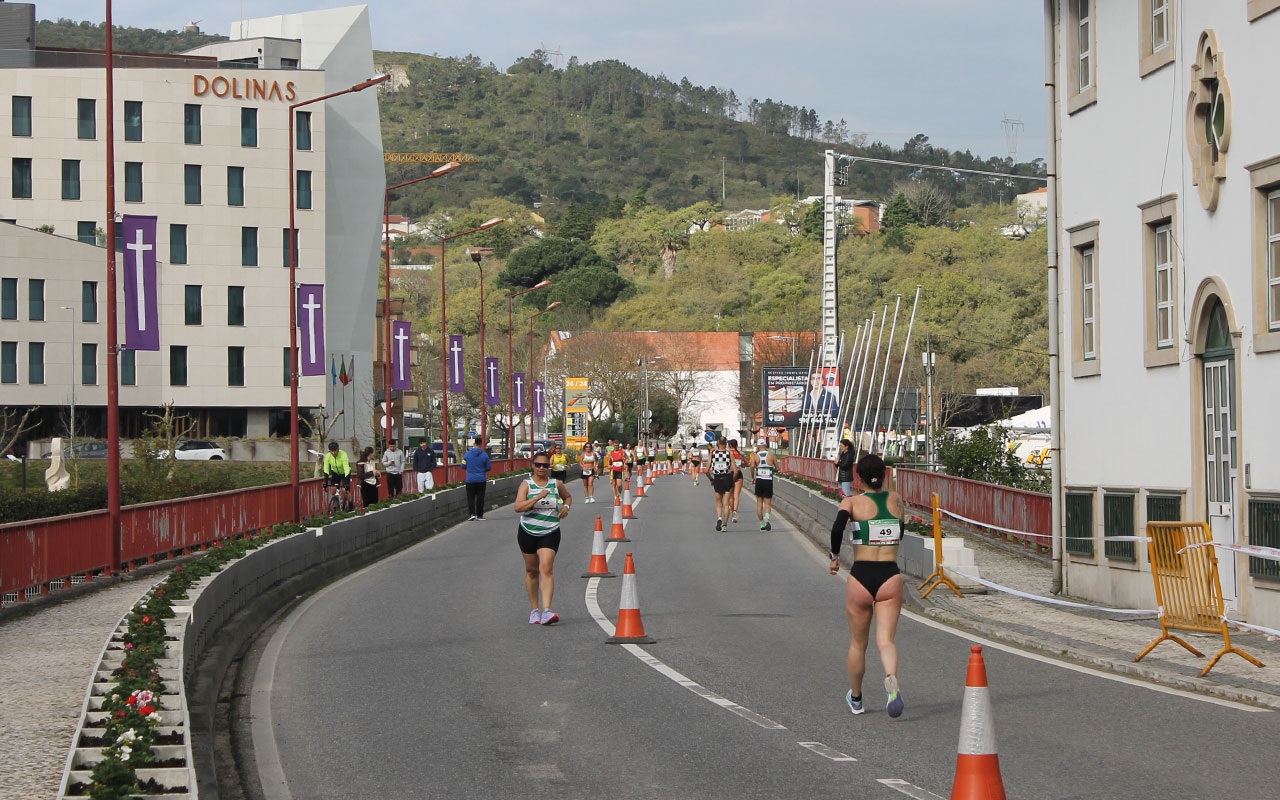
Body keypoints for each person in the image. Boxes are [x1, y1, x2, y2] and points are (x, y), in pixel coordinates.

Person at [828, 453, 905, 718]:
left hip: (861, 575)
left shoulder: (851, 501)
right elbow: (901, 532)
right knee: (886, 640)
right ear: (883, 475)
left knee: (858, 644)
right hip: (890, 576)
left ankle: (857, 699)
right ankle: (891, 683)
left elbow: (837, 528)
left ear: (858, 477)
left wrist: (835, 557)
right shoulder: (896, 500)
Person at [514, 452, 572, 625]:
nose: (541, 468)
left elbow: (567, 496)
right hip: (528, 531)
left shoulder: (556, 484)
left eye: (545, 466)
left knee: (546, 569)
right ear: (533, 465)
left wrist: (566, 507)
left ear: (549, 467)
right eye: (538, 465)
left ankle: (547, 610)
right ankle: (535, 610)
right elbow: (518, 507)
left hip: (550, 531)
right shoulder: (526, 485)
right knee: (532, 571)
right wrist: (538, 497)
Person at [708, 438, 735, 531]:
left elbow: (707, 470)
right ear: (726, 444)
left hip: (717, 478)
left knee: (719, 503)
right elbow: (735, 470)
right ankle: (724, 525)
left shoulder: (713, 453)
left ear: (718, 443)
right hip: (727, 478)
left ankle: (719, 518)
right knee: (726, 504)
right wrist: (732, 481)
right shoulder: (729, 454)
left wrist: (711, 479)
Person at [463, 436, 492, 521]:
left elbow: (463, 465)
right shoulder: (485, 455)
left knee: (470, 497)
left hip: (470, 479)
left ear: (474, 444)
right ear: (481, 444)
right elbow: (488, 468)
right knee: (480, 497)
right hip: (481, 479)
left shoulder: (467, 455)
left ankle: (472, 514)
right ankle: (480, 515)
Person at [322, 441, 353, 510]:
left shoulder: (343, 454)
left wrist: (346, 483)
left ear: (338, 449)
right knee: (333, 489)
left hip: (345, 473)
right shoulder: (328, 456)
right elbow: (326, 470)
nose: (333, 453)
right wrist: (325, 482)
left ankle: (351, 505)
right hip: (336, 473)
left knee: (345, 490)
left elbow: (346, 469)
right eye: (331, 451)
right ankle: (335, 509)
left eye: (335, 451)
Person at [752, 447, 776, 530]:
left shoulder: (755, 456)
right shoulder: (771, 455)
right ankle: (767, 517)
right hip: (768, 480)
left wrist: (752, 477)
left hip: (759, 481)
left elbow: (751, 466)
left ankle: (762, 524)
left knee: (759, 503)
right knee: (768, 503)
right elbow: (777, 467)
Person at [728, 439, 745, 524]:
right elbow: (745, 463)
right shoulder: (739, 453)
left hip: (730, 473)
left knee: (730, 496)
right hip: (739, 474)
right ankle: (735, 511)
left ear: (729, 445)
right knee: (736, 496)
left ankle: (732, 512)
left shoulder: (728, 453)